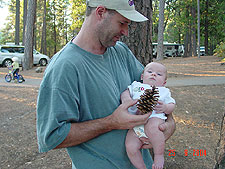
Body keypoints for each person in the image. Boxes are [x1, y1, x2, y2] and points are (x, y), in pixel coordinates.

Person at [36, 0, 176, 168]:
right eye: (122, 23)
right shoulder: (64, 67)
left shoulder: (121, 51)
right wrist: (111, 122)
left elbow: (155, 92)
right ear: (101, 12)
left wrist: (169, 124)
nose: (125, 31)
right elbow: (52, 137)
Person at [121, 62, 175, 169]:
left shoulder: (163, 91)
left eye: (159, 74)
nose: (153, 74)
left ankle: (159, 155)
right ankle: (141, 166)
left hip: (154, 119)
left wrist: (165, 108)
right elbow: (125, 92)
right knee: (130, 146)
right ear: (142, 76)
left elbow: (172, 104)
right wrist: (126, 99)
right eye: (150, 72)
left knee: (154, 129)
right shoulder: (136, 85)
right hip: (136, 124)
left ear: (164, 82)